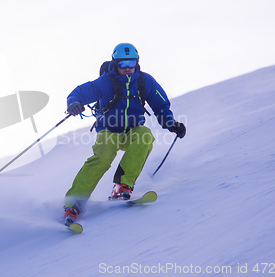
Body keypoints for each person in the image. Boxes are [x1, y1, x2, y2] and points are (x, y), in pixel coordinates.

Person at [63, 43, 186, 225]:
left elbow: (161, 106)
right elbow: (79, 93)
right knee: (103, 158)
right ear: (115, 64)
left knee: (145, 136)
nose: (128, 68)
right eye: (123, 64)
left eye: (132, 63)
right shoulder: (106, 81)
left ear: (137, 62)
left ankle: (122, 186)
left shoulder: (145, 81)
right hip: (108, 130)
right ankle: (73, 204)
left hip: (133, 130)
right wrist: (74, 103)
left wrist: (171, 124)